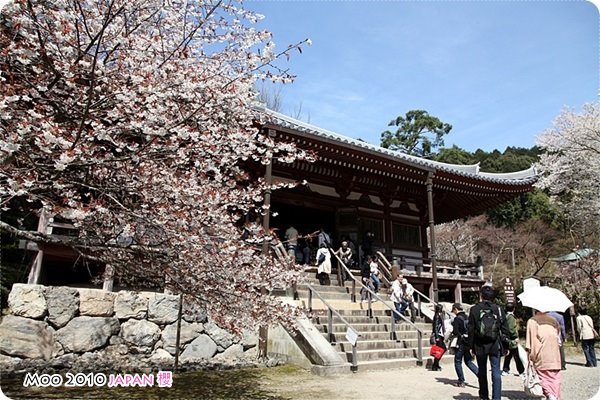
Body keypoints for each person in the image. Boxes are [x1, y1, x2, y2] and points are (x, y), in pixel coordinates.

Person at [467, 284, 510, 400]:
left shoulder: (474, 309)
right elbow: (505, 329)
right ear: (493, 297)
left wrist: (470, 346)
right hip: (495, 344)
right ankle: (496, 397)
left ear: (481, 296)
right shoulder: (499, 309)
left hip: (479, 344)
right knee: (496, 371)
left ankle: (484, 396)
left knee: (482, 370)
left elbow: (470, 329)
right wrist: (506, 346)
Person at [525, 310, 562, 400]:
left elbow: (532, 341)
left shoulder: (532, 321)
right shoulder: (553, 320)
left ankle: (550, 395)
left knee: (543, 376)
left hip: (542, 353)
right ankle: (555, 395)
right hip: (554, 353)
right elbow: (558, 338)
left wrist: (531, 356)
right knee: (555, 376)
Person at [451, 302, 479, 387]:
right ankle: (480, 375)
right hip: (468, 342)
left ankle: (461, 380)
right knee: (468, 361)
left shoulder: (457, 319)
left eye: (453, 311)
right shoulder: (467, 317)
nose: (453, 312)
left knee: (458, 361)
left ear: (456, 309)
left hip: (461, 342)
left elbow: (455, 331)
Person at [501, 303, 524, 377]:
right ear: (513, 309)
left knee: (509, 355)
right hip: (512, 339)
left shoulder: (505, 316)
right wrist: (515, 336)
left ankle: (505, 369)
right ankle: (521, 371)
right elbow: (511, 329)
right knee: (516, 355)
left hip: (507, 339)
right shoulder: (511, 317)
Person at [431, 303, 447, 371]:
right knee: (442, 349)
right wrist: (437, 336)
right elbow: (435, 327)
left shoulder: (440, 315)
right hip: (438, 335)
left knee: (439, 350)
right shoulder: (437, 316)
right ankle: (435, 364)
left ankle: (436, 364)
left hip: (440, 335)